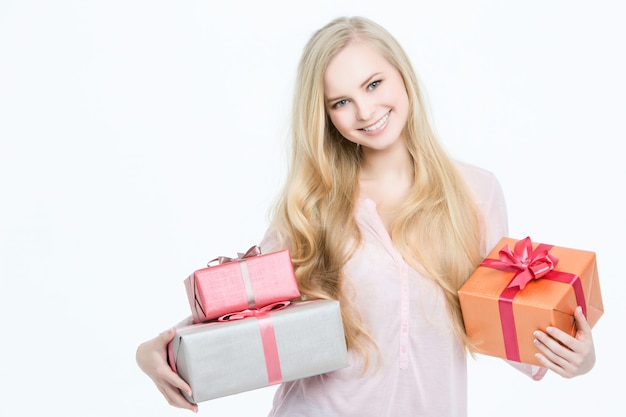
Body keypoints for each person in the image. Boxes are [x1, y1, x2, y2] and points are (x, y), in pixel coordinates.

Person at [136, 16, 596, 416]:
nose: (365, 111)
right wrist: (153, 349)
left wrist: (577, 356)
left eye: (373, 84)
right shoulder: (311, 205)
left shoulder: (476, 192)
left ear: (402, 75)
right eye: (340, 102)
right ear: (326, 116)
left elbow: (500, 322)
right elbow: (245, 312)